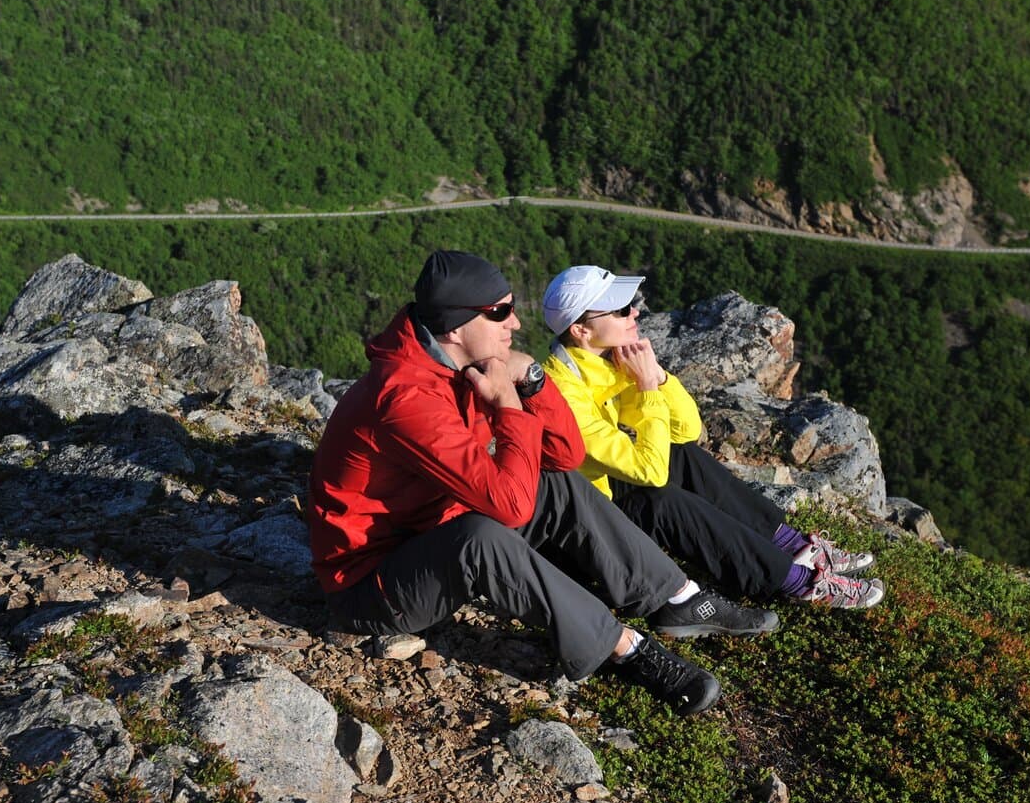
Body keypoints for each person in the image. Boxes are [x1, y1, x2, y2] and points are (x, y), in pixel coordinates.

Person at [306, 250, 780, 717]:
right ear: (454, 328)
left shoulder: (456, 367)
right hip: (372, 583)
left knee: (554, 485)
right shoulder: (407, 398)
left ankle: (677, 599)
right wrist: (510, 407)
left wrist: (531, 382)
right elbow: (509, 510)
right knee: (482, 538)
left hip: (432, 531)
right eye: (500, 313)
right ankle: (625, 648)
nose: (514, 323)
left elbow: (565, 455)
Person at [540, 265, 885, 610]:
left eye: (630, 303)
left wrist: (657, 378)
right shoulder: (563, 395)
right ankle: (796, 582)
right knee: (662, 504)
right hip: (585, 532)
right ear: (581, 330)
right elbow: (651, 473)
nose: (634, 312)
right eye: (619, 310)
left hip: (602, 497)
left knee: (680, 455)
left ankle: (795, 547)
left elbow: (686, 431)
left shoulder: (606, 365)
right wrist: (646, 389)